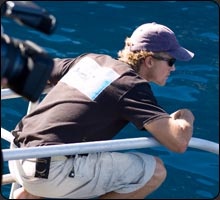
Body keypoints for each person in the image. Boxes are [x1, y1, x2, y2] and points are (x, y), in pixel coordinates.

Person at [8, 22, 195, 199]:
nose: (174, 68)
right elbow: (178, 142)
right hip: (47, 172)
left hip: (17, 155)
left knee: (70, 150)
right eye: (170, 61)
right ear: (149, 61)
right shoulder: (132, 86)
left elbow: (38, 71)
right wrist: (186, 115)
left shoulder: (91, 60)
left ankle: (29, 195)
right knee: (155, 171)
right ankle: (35, 189)